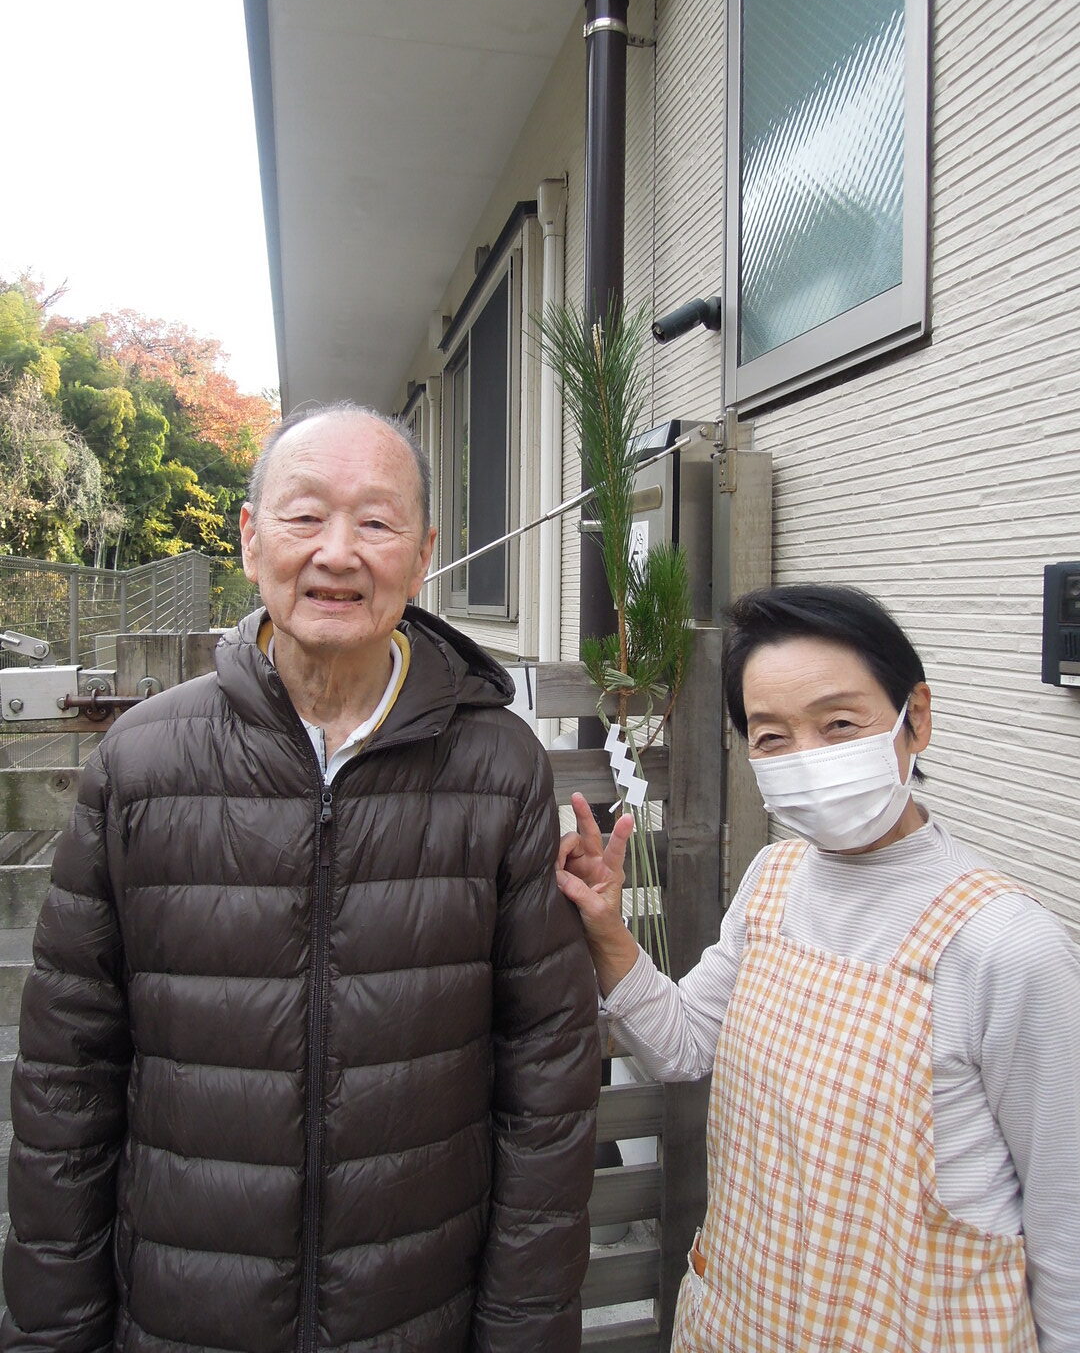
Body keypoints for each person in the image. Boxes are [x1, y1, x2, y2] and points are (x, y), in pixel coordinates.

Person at [2, 403, 600, 1353]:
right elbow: (67, 1081)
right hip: (182, 1308)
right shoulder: (141, 764)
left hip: (418, 1306)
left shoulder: (500, 768)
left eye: (375, 522)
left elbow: (547, 1080)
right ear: (249, 537)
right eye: (304, 516)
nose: (337, 553)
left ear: (423, 551)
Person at [558, 583, 1080, 1352]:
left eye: (839, 724)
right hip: (746, 1316)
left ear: (916, 720)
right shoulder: (774, 882)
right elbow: (680, 1045)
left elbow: (1065, 1216)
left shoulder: (1006, 944)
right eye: (772, 737)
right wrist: (607, 931)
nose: (808, 758)